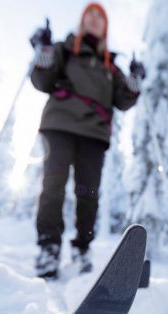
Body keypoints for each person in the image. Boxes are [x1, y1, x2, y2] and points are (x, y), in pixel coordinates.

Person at [29, 3, 146, 279]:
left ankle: (83, 247)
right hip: (59, 125)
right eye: (89, 15)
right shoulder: (64, 49)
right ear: (82, 22)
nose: (94, 20)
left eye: (99, 17)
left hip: (94, 133)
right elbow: (42, 81)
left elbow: (124, 100)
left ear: (105, 26)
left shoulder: (111, 67)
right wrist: (43, 49)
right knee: (52, 187)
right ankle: (49, 247)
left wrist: (135, 79)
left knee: (88, 193)